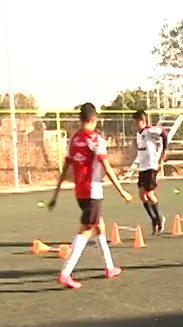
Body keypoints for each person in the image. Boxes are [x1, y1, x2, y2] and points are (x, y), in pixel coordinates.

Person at [49, 103, 133, 289]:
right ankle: (65, 273)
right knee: (86, 229)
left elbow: (66, 168)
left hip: (80, 192)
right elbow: (106, 167)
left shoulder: (74, 139)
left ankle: (109, 267)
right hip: (92, 191)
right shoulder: (95, 139)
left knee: (99, 225)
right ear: (94, 120)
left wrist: (56, 192)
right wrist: (122, 191)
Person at [132, 111, 167, 234]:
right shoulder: (138, 133)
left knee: (149, 193)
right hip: (143, 167)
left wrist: (164, 151)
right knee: (142, 195)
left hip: (151, 166)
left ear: (143, 121)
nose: (135, 124)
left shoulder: (150, 130)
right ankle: (154, 219)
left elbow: (164, 134)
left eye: (137, 122)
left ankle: (159, 218)